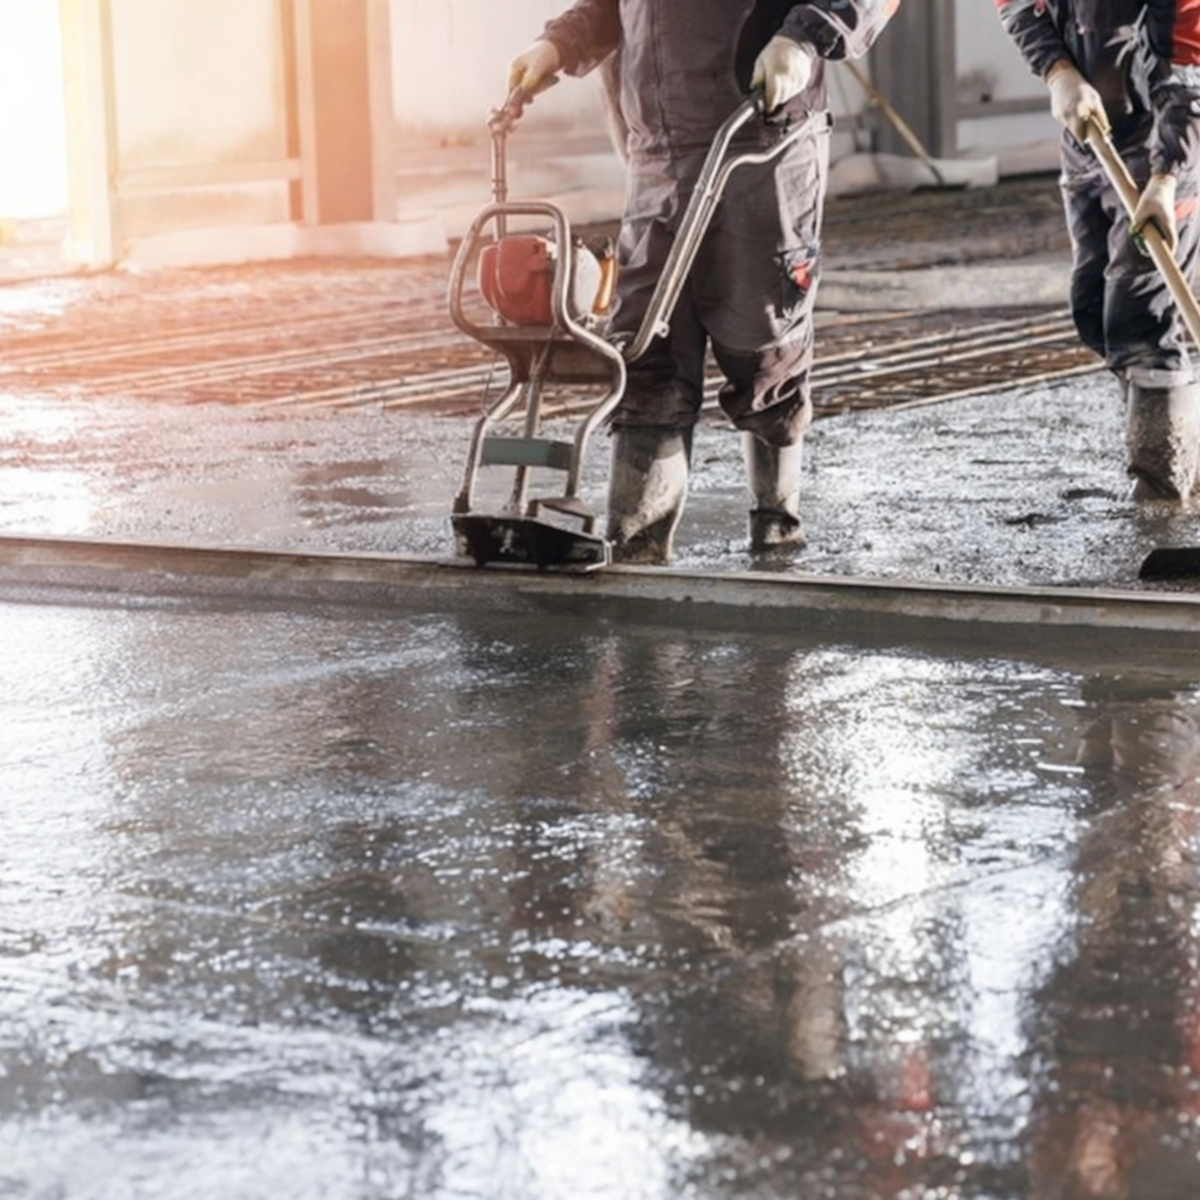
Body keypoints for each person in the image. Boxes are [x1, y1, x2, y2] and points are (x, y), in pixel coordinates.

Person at [506, 0, 900, 563]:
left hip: (761, 138)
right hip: (655, 156)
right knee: (645, 350)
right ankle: (636, 551)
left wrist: (805, 36)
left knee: (761, 343)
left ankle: (776, 531)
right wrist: (560, 44)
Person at [997, 0, 1200, 502]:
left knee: (1141, 319)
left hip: (1164, 146)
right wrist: (1057, 69)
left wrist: (1166, 177)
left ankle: (1162, 487)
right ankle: (1183, 461)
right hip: (1089, 142)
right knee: (1092, 306)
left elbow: (1191, 67)